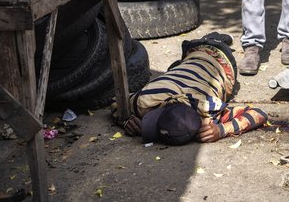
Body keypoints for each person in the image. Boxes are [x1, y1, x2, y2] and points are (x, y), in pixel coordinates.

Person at [112, 33, 268, 144]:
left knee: (196, 53)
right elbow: (116, 103)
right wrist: (123, 118)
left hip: (207, 63)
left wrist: (221, 130)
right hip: (204, 61)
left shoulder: (209, 109)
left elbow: (260, 114)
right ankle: (213, 40)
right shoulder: (146, 99)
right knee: (193, 52)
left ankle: (214, 40)